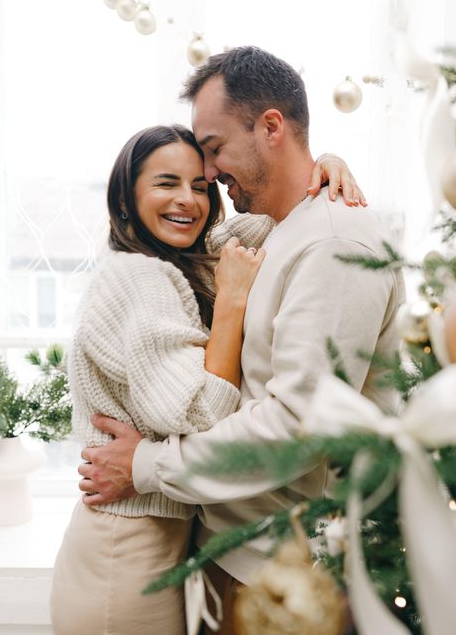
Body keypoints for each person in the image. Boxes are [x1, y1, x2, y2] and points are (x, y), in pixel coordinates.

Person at [78, 46, 405, 633]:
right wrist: (324, 162)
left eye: (213, 149)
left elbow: (299, 427)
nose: (207, 175)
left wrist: (148, 465)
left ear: (271, 128)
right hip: (233, 552)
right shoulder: (281, 229)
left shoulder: (332, 243)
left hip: (285, 575)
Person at [49, 123, 363, 635]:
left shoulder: (186, 256)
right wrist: (233, 300)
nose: (187, 200)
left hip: (158, 537)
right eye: (166, 183)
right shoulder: (138, 277)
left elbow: (278, 215)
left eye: (200, 185)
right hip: (124, 546)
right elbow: (197, 412)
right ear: (125, 198)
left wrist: (322, 167)